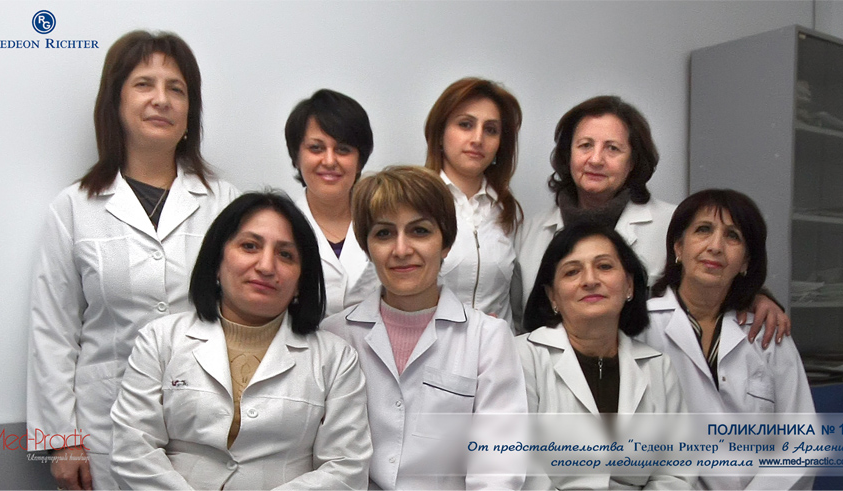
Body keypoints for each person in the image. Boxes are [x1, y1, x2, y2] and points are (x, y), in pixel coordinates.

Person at [26, 30, 239, 490]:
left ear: (190, 112)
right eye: (144, 84)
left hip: (206, 426)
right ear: (115, 103)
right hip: (105, 430)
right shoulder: (74, 208)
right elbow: (53, 331)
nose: (161, 99)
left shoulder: (225, 204)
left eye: (176, 88)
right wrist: (60, 439)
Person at [110, 192, 372, 489]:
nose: (266, 266)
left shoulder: (335, 358)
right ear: (217, 261)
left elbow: (346, 467)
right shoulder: (160, 340)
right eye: (250, 246)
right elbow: (133, 450)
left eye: (286, 255)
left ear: (301, 281)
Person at [516, 95, 788, 346]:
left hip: (646, 370)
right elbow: (519, 318)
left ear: (633, 161)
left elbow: (717, 278)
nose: (596, 159)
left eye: (613, 149)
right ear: (568, 155)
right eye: (585, 145)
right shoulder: (529, 231)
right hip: (545, 370)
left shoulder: (675, 225)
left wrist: (758, 298)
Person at [321, 166, 527, 489]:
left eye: (419, 231)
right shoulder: (335, 335)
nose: (402, 250)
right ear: (367, 247)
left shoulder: (487, 338)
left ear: (445, 243)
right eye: (384, 234)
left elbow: (498, 468)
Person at [639, 189, 814, 490]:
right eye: (703, 230)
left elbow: (800, 443)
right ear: (678, 246)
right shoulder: (639, 327)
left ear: (745, 262)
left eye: (733, 236)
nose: (715, 246)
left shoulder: (768, 333)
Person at [517, 222, 691, 490]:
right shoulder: (521, 358)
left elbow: (675, 473)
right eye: (572, 271)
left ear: (629, 285)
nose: (590, 280)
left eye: (604, 266)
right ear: (552, 296)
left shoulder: (658, 367)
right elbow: (518, 467)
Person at [424, 77, 523, 327]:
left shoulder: (508, 211)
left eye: (491, 130)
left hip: (499, 347)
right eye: (465, 124)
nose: (478, 139)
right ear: (439, 133)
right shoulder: (415, 201)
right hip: (433, 345)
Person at [285, 89, 379, 316]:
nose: (329, 161)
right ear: (296, 156)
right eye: (316, 148)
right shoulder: (281, 226)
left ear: (360, 160)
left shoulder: (384, 221)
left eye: (343, 149)